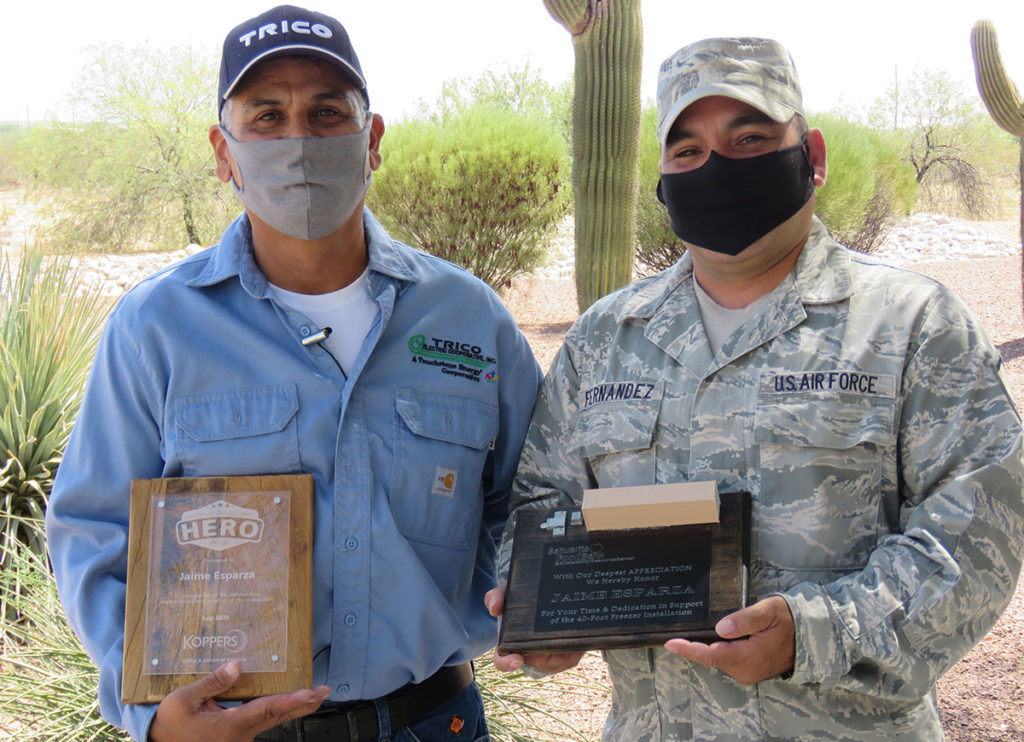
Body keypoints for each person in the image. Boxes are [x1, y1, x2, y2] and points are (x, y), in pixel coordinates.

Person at [486, 36, 1024, 739]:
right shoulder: (604, 339)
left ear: (814, 156)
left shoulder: (914, 324)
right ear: (662, 178)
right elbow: (542, 498)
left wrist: (814, 634)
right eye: (688, 151)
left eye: (749, 138)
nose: (716, 166)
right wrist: (539, 608)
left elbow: (978, 536)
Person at [45, 5, 542, 741]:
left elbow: (525, 499)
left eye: (326, 112)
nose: (299, 141)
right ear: (224, 152)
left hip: (434, 721)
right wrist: (154, 717)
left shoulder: (469, 320)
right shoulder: (156, 327)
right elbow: (93, 529)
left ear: (371, 141)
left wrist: (527, 598)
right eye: (267, 116)